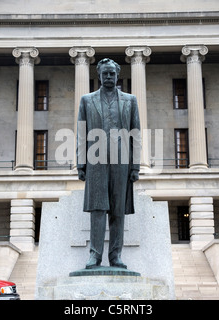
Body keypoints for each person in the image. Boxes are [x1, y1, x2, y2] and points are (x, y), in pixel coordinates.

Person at [77, 58, 141, 269]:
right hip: (96, 159)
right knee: (97, 209)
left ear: (117, 74)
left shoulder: (130, 100)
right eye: (105, 73)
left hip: (122, 159)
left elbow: (136, 134)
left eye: (112, 73)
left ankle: (115, 256)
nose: (108, 77)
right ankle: (95, 255)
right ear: (99, 75)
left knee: (117, 210)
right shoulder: (87, 100)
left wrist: (135, 165)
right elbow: (81, 133)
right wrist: (80, 163)